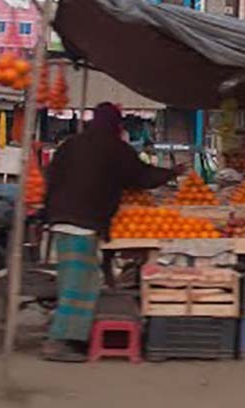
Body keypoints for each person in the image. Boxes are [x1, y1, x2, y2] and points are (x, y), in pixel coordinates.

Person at [43, 103, 180, 362]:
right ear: (116, 124)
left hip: (61, 219)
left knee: (73, 279)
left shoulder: (71, 144)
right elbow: (141, 176)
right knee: (79, 284)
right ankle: (59, 341)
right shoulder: (116, 148)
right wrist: (172, 173)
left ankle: (72, 337)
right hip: (82, 223)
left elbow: (51, 177)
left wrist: (48, 212)